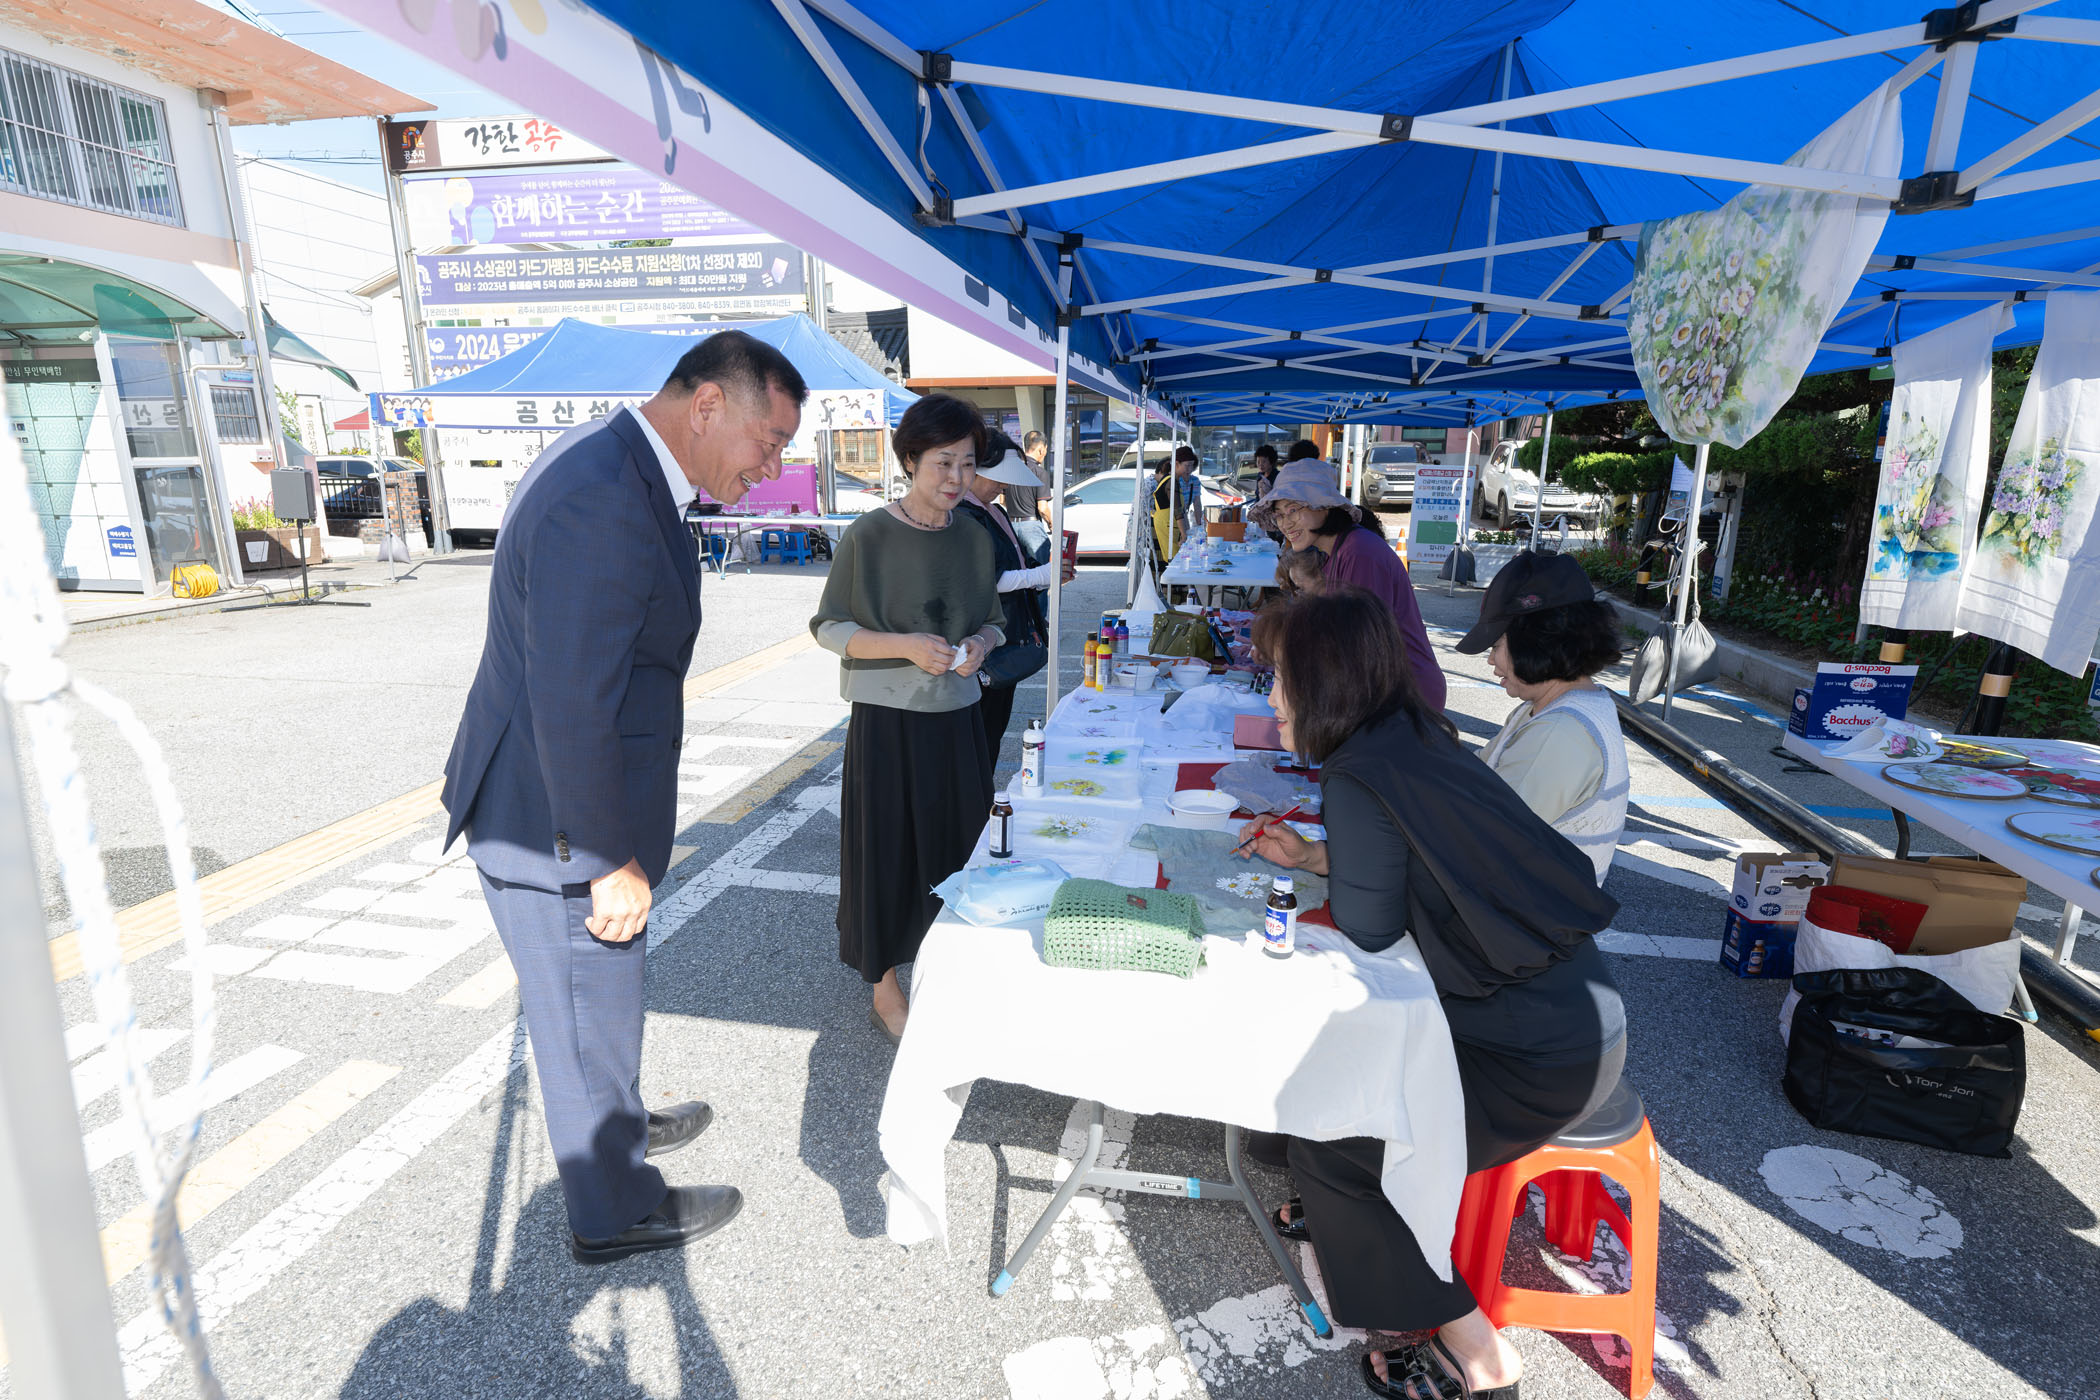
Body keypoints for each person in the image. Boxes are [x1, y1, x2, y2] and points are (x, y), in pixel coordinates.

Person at [441, 331, 806, 1263]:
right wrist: (605, 859)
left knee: (599, 1004)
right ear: (708, 406)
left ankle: (619, 1118)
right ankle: (612, 1206)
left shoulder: (617, 463)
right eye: (769, 443)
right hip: (551, 824)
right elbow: (570, 697)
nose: (772, 469)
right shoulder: (603, 495)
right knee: (578, 1014)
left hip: (560, 802)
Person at [1234, 589, 1625, 1400]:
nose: (1272, 700)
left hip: (1533, 1057)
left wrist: (1328, 865)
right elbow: (1425, 869)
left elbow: (1373, 935)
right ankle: (1351, 1223)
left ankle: (1477, 1351)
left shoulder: (1359, 772)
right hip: (1572, 1016)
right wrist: (1316, 858)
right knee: (1330, 1092)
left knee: (1333, 1138)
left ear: (1323, 682)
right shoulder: (1412, 737)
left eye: (1279, 678)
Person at [811, 394, 1005, 1044]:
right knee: (885, 854)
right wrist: (905, 645)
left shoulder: (974, 537)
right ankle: (884, 987)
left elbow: (994, 622)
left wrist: (979, 644)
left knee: (958, 848)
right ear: (910, 460)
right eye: (942, 462)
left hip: (959, 719)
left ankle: (945, 968)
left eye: (967, 463)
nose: (956, 477)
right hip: (887, 723)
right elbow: (829, 626)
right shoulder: (868, 535)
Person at [1458, 552, 1629, 884]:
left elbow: (1483, 841)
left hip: (1519, 909)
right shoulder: (1556, 707)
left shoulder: (1559, 734)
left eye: (1496, 645)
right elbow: (1477, 773)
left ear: (1535, 642)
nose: (1491, 660)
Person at [1249, 451, 1448, 711]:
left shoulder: (1359, 552)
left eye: (1293, 510)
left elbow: (1356, 644)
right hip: (1380, 689)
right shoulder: (1338, 552)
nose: (1286, 523)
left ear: (1324, 505)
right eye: (1279, 514)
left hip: (1405, 694)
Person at [957, 428, 1073, 755]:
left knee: (992, 729)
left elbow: (1016, 562)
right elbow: (986, 581)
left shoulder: (993, 510)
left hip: (1005, 633)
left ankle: (984, 784)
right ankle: (979, 786)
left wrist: (1045, 574)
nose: (1004, 486)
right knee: (981, 734)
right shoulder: (963, 516)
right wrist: (1040, 574)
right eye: (999, 478)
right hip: (982, 641)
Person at [1152, 445, 1201, 563]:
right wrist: (1184, 533)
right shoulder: (1171, 481)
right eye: (1187, 465)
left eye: (1191, 465)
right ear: (1177, 464)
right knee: (1175, 560)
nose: (1189, 469)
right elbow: (1177, 510)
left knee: (1176, 559)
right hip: (1168, 524)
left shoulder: (1171, 479)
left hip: (1170, 524)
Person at [1004, 429, 1051, 523]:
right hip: (1031, 524)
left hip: (1011, 524)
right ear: (1041, 450)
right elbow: (1042, 509)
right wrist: (1051, 523)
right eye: (1046, 449)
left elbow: (1002, 500)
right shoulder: (1040, 473)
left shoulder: (1009, 469)